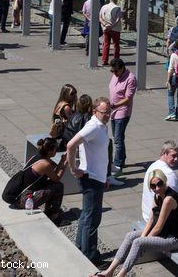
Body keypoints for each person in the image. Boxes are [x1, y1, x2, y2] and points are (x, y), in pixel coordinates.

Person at [95, 169, 178, 276]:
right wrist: (143, 237)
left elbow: (158, 227)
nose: (156, 188)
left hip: (174, 238)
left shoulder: (168, 199)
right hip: (164, 233)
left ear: (164, 181)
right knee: (130, 236)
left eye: (159, 184)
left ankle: (121, 275)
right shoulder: (157, 195)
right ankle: (109, 271)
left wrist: (143, 241)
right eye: (153, 186)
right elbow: (151, 220)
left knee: (138, 242)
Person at [66, 96, 112, 263]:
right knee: (92, 219)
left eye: (109, 112)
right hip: (91, 178)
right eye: (104, 112)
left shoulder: (102, 126)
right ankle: (90, 255)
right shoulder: (93, 126)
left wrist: (105, 176)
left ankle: (80, 248)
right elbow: (71, 145)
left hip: (97, 178)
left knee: (87, 216)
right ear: (94, 111)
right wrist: (72, 168)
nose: (108, 115)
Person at [16, 136, 67, 224]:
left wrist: (62, 161)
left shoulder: (38, 158)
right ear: (50, 151)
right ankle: (54, 217)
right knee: (58, 186)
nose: (57, 150)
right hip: (26, 199)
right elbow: (56, 178)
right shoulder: (45, 164)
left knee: (53, 184)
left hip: (20, 193)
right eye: (56, 149)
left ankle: (49, 211)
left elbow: (52, 174)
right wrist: (64, 164)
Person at [142, 140, 178, 224]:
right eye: (173, 156)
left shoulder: (152, 166)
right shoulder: (170, 174)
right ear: (164, 153)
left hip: (146, 214)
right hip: (158, 220)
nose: (176, 159)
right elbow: (177, 202)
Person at [108, 57, 136, 176]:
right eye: (112, 71)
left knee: (118, 139)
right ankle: (122, 159)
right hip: (113, 111)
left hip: (122, 112)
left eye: (116, 71)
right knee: (118, 137)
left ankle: (118, 164)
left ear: (122, 68)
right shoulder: (115, 75)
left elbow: (128, 98)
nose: (114, 73)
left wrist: (114, 105)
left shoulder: (131, 79)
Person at [51, 83, 77, 149]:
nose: (75, 95)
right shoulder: (66, 107)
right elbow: (74, 123)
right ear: (66, 94)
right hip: (63, 138)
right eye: (72, 94)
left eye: (75, 92)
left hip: (57, 134)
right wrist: (76, 104)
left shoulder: (60, 103)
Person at [99, 0, 122, 65]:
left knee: (106, 44)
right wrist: (112, 26)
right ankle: (116, 61)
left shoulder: (104, 7)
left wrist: (105, 25)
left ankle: (104, 60)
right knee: (116, 45)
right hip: (115, 29)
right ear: (116, 0)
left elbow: (100, 17)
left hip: (106, 28)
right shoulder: (117, 8)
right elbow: (118, 19)